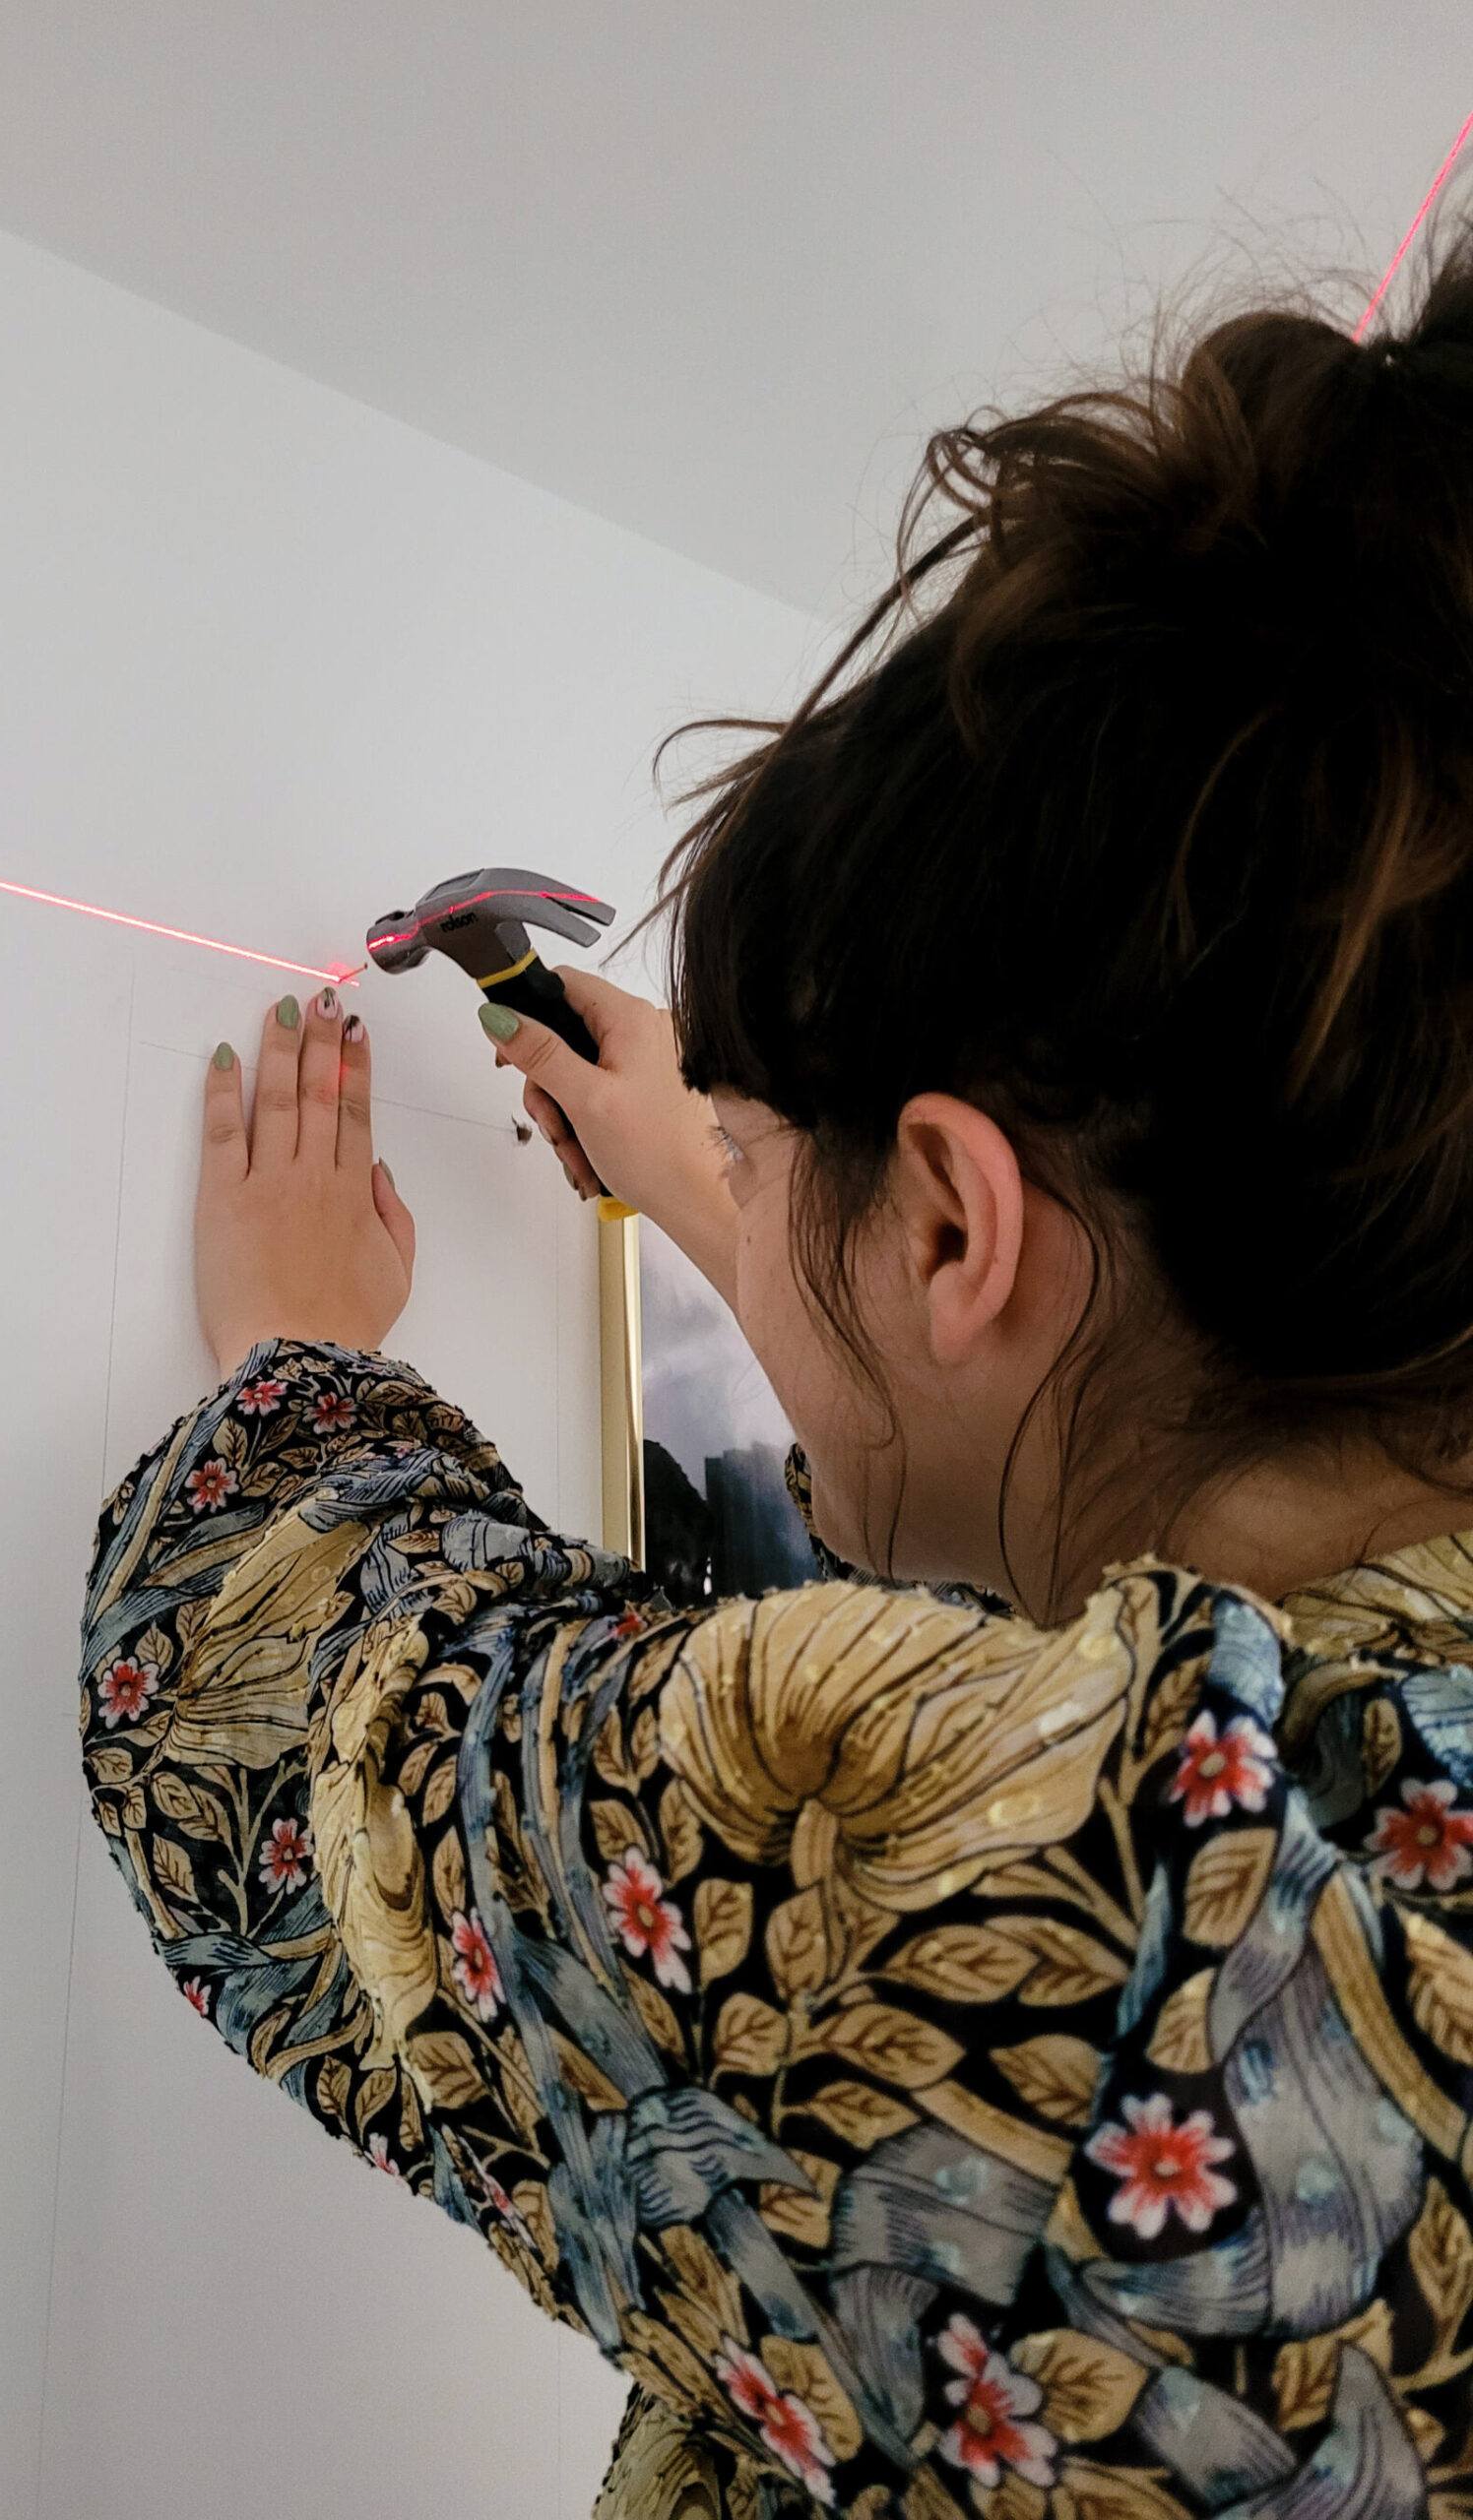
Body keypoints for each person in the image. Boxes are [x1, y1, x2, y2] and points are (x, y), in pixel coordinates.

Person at [78, 224, 1473, 2519]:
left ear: (953, 1223)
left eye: (762, 1142)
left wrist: (305, 1354)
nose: (728, 1169)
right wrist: (764, 1194)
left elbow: (286, 1716)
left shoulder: (1086, 1915)